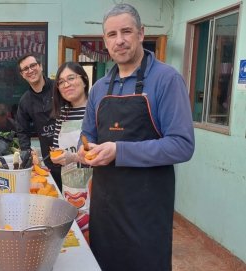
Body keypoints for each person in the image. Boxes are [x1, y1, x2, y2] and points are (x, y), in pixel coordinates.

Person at [78, 4, 195, 271]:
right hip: (105, 206)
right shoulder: (98, 88)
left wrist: (119, 151)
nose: (119, 40)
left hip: (147, 210)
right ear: (105, 41)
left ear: (141, 34)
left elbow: (182, 145)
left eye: (126, 31)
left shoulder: (166, 80)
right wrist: (85, 151)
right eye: (111, 34)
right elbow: (86, 135)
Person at [50, 61, 92, 241]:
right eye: (61, 82)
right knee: (76, 237)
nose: (66, 85)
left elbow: (102, 154)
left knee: (92, 236)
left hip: (93, 187)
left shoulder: (96, 111)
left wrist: (72, 157)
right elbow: (56, 148)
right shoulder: (62, 114)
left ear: (84, 80)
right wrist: (56, 157)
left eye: (71, 78)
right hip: (68, 185)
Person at [15, 53, 61, 189]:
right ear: (22, 75)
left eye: (33, 65)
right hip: (49, 158)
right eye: (25, 69)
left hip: (70, 153)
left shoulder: (58, 89)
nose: (30, 70)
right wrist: (26, 153)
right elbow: (22, 130)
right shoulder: (25, 101)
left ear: (40, 66)